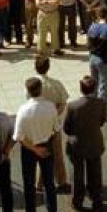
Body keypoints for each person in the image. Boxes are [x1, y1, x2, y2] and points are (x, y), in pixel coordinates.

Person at [13, 77, 61, 212]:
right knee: (48, 183)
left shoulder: (23, 110)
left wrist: (34, 149)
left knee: (29, 184)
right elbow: (56, 128)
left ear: (27, 91)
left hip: (29, 148)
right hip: (46, 145)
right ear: (41, 89)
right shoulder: (50, 107)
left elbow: (18, 136)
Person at [63, 75, 107, 212]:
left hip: (77, 144)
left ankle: (77, 201)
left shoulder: (72, 106)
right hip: (94, 142)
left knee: (77, 174)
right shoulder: (101, 103)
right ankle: (96, 199)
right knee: (95, 173)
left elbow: (66, 128)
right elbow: (101, 121)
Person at [34, 55, 70, 188]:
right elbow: (63, 102)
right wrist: (55, 114)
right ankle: (61, 180)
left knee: (41, 153)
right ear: (48, 68)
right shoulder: (56, 84)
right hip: (54, 125)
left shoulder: (32, 84)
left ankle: (39, 182)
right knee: (57, 154)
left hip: (38, 124)